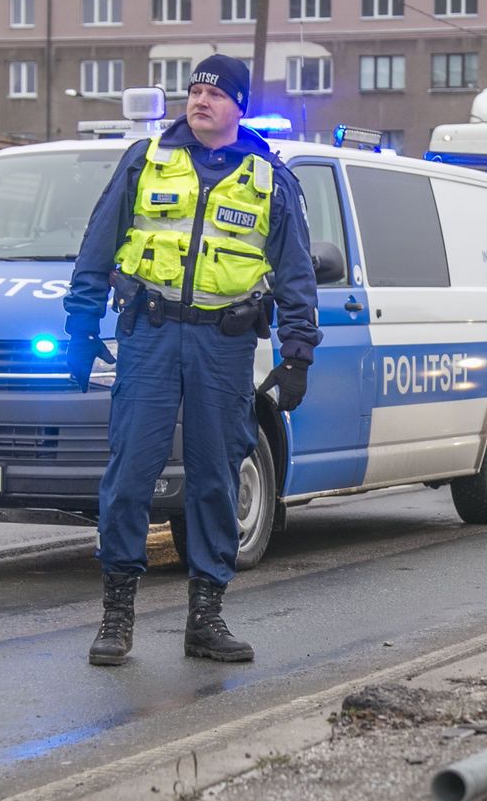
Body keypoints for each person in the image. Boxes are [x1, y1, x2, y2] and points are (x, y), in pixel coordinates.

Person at [63, 54, 320, 666]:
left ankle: (206, 617)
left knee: (215, 480)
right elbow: (97, 246)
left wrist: (298, 352)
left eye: (215, 92)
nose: (200, 99)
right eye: (195, 90)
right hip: (149, 336)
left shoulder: (271, 179)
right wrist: (79, 324)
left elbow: (295, 272)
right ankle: (117, 617)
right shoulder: (144, 161)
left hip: (223, 345)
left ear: (239, 106)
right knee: (129, 475)